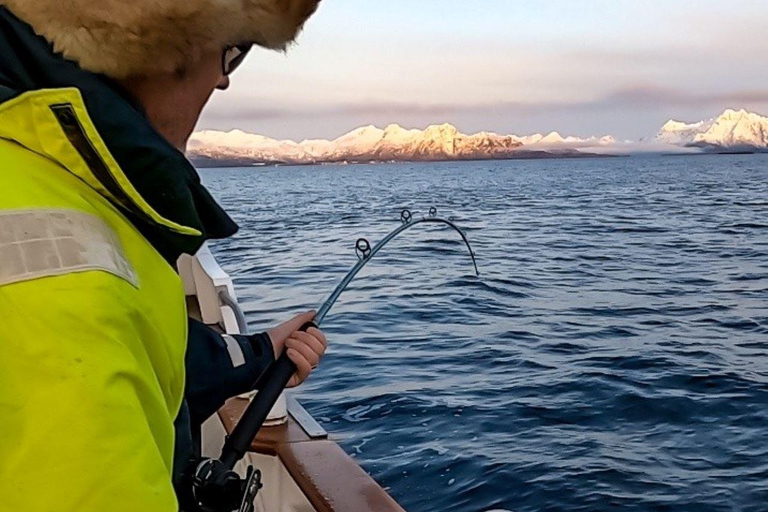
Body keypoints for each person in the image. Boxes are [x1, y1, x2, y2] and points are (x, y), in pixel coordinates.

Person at [0, 1, 324, 511]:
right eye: (230, 54)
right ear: (155, 48)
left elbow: (156, 353)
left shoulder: (52, 181)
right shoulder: (73, 283)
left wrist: (261, 353)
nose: (223, 83)